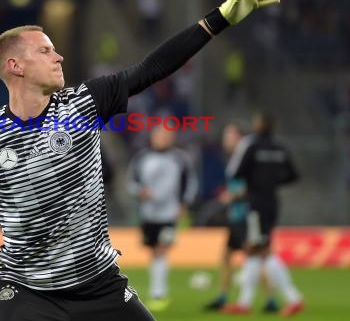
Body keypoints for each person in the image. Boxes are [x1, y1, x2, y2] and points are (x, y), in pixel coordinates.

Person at [0, 0, 283, 321]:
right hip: (26, 291)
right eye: (45, 50)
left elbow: (152, 68)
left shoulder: (85, 103)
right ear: (15, 65)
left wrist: (218, 19)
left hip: (100, 287)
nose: (59, 56)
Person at [221, 112, 304, 317]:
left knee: (262, 250)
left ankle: (293, 298)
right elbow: (293, 175)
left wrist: (254, 182)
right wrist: (273, 181)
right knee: (253, 249)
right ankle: (244, 303)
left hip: (255, 203)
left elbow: (236, 173)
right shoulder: (279, 148)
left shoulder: (252, 146)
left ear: (259, 125)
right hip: (272, 202)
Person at [204, 120, 279, 313]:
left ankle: (270, 299)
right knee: (228, 255)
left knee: (255, 254)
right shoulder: (235, 158)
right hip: (236, 215)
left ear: (239, 138)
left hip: (246, 214)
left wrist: (233, 196)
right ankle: (222, 296)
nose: (225, 139)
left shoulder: (247, 158)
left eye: (229, 135)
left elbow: (252, 184)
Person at [127, 125, 198, 312]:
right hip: (148, 213)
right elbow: (132, 182)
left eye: (165, 136)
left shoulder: (180, 158)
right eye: (158, 136)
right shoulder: (142, 158)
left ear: (171, 139)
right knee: (153, 251)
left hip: (169, 213)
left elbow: (190, 181)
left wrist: (184, 204)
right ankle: (157, 291)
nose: (161, 139)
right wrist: (140, 192)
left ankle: (159, 293)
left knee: (161, 250)